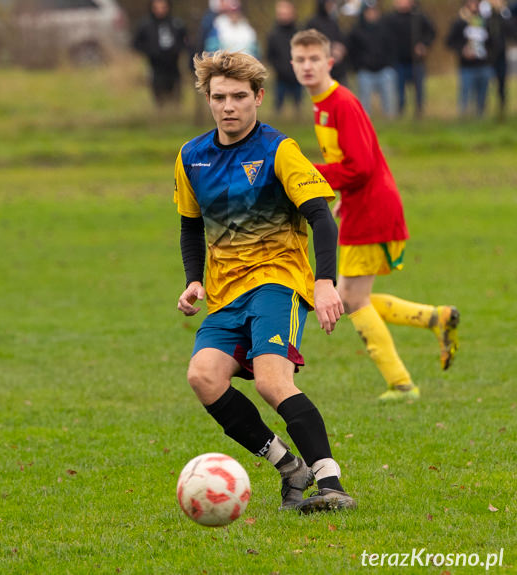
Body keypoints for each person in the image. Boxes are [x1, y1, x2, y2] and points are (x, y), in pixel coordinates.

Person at [174, 50, 356, 513]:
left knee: (273, 382)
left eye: (239, 96)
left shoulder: (279, 150)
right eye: (219, 97)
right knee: (203, 377)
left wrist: (324, 282)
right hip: (225, 292)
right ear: (208, 100)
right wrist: (194, 280)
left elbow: (321, 215)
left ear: (258, 97)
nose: (228, 106)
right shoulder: (191, 156)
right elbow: (190, 225)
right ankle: (287, 466)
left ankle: (330, 482)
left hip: (277, 282)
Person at [290, 29, 460, 401]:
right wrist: (338, 197)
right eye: (300, 60)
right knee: (352, 298)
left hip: (372, 209)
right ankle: (436, 318)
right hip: (359, 206)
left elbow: (361, 167)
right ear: (291, 64)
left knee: (352, 300)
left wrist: (308, 175)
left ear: (329, 62)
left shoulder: (341, 103)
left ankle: (402, 383)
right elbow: (348, 167)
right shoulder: (322, 104)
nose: (307, 66)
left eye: (313, 59)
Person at [383, 0, 437, 119]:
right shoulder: (389, 19)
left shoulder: (418, 17)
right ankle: (400, 113)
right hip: (397, 62)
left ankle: (419, 113)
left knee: (418, 90)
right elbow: (383, 39)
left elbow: (431, 32)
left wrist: (423, 44)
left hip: (416, 61)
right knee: (399, 91)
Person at [133, 0, 188, 108]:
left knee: (175, 89)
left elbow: (185, 40)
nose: (160, 10)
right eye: (157, 7)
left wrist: (178, 50)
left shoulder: (176, 23)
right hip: (155, 63)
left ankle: (176, 111)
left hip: (173, 63)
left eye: (163, 7)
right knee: (158, 89)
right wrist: (149, 51)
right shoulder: (145, 25)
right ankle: (161, 113)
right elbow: (136, 43)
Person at [347, 1, 398, 118]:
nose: (371, 14)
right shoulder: (356, 31)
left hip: (384, 70)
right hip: (365, 71)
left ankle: (391, 121)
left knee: (389, 101)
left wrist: (390, 64)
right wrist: (357, 66)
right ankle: (365, 122)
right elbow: (351, 52)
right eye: (368, 12)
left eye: (374, 11)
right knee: (364, 104)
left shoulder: (385, 29)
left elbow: (392, 48)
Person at [446, 0, 494, 117]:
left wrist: (489, 54)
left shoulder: (485, 21)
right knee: (465, 93)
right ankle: (464, 117)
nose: (474, 4)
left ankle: (480, 117)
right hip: (467, 66)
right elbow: (449, 41)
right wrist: (462, 50)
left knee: (482, 95)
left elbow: (493, 41)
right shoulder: (460, 22)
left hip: (484, 64)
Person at [266, 0, 303, 117]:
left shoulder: (299, 33)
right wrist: (279, 68)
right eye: (281, 12)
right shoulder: (273, 34)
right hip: (280, 76)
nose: (284, 15)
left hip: (297, 74)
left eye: (286, 12)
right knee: (278, 105)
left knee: (298, 104)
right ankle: (278, 122)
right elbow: (270, 55)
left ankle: (298, 121)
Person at [484, 0, 516, 117]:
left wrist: (503, 13)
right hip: (487, 57)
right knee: (485, 83)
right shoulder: (485, 16)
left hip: (501, 55)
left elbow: (512, 32)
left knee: (501, 84)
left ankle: (502, 108)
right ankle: (482, 109)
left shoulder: (505, 16)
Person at [305, 0, 349, 84]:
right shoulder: (312, 23)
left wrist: (341, 49)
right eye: (329, 4)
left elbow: (341, 39)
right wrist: (331, 48)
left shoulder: (333, 21)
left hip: (338, 70)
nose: (331, 6)